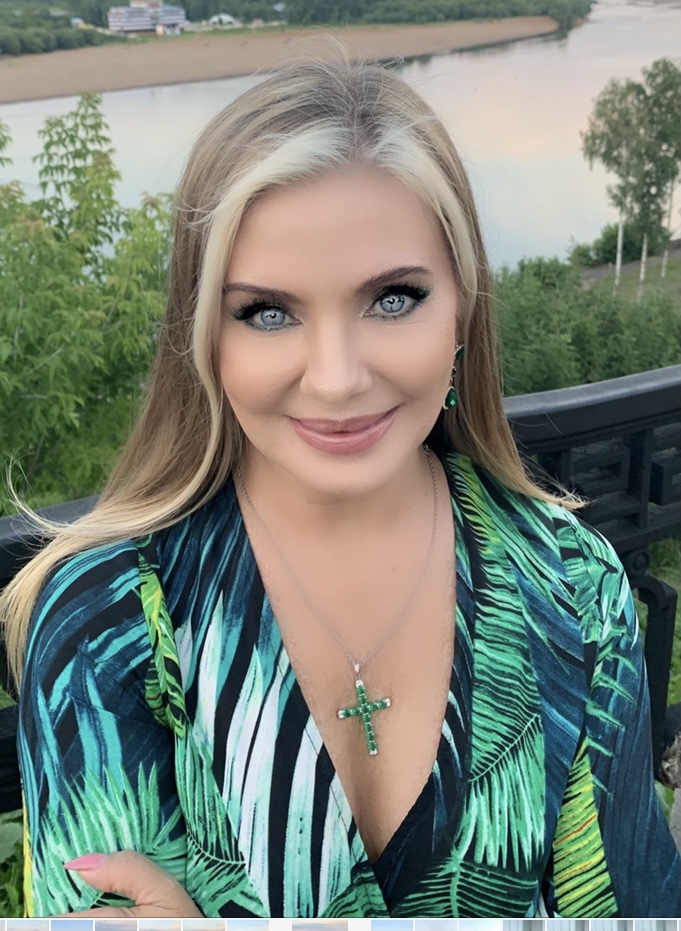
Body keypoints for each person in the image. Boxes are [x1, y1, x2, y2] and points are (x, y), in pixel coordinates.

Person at [1, 55, 679, 920]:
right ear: (207, 338)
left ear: (462, 310)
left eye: (392, 299)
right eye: (268, 312)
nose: (335, 377)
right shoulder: (106, 617)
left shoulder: (574, 586)